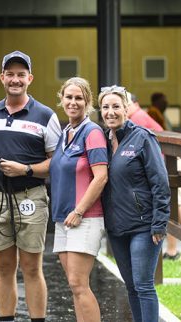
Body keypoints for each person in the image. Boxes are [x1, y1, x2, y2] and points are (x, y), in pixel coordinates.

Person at [0, 51, 61, 322]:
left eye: (21, 74)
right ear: (2, 77)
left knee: (32, 268)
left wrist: (26, 169)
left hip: (31, 197)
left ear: (30, 78)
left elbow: (57, 163)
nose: (15, 79)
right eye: (10, 74)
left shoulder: (46, 116)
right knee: (3, 268)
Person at [99, 85, 170, 322]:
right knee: (130, 285)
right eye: (105, 107)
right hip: (117, 227)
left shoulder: (143, 138)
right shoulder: (102, 141)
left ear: (126, 108)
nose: (110, 112)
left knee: (143, 285)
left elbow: (160, 182)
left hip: (144, 226)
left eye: (116, 106)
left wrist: (159, 222)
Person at [49, 77, 108, 322]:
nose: (73, 102)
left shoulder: (91, 132)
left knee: (79, 283)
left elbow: (101, 177)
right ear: (61, 99)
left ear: (87, 102)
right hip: (63, 218)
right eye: (69, 97)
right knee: (74, 287)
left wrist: (80, 211)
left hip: (84, 218)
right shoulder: (66, 132)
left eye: (79, 98)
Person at [129, 92, 181, 260]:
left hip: (165, 163)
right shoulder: (142, 115)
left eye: (124, 103)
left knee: (170, 204)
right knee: (170, 204)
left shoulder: (137, 117)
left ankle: (173, 249)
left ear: (135, 104)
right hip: (163, 161)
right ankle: (172, 249)